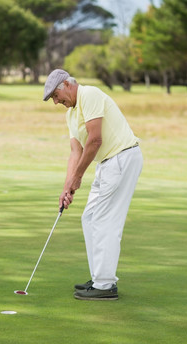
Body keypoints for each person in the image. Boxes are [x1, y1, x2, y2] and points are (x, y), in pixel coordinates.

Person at [43, 69, 143, 301]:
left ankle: (105, 285)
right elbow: (75, 151)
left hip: (122, 157)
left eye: (56, 96)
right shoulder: (71, 114)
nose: (56, 102)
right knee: (89, 218)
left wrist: (78, 177)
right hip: (107, 164)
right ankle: (99, 277)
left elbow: (95, 139)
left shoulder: (89, 94)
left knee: (103, 219)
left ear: (67, 84)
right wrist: (67, 186)